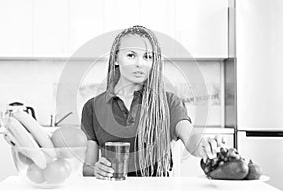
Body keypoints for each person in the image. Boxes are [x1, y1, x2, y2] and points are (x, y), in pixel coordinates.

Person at [81, 25, 224, 179]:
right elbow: (88, 168)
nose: (140, 63)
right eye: (131, 55)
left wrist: (204, 146)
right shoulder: (92, 107)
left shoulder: (169, 103)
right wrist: (97, 170)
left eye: (147, 57)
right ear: (116, 58)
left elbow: (191, 139)